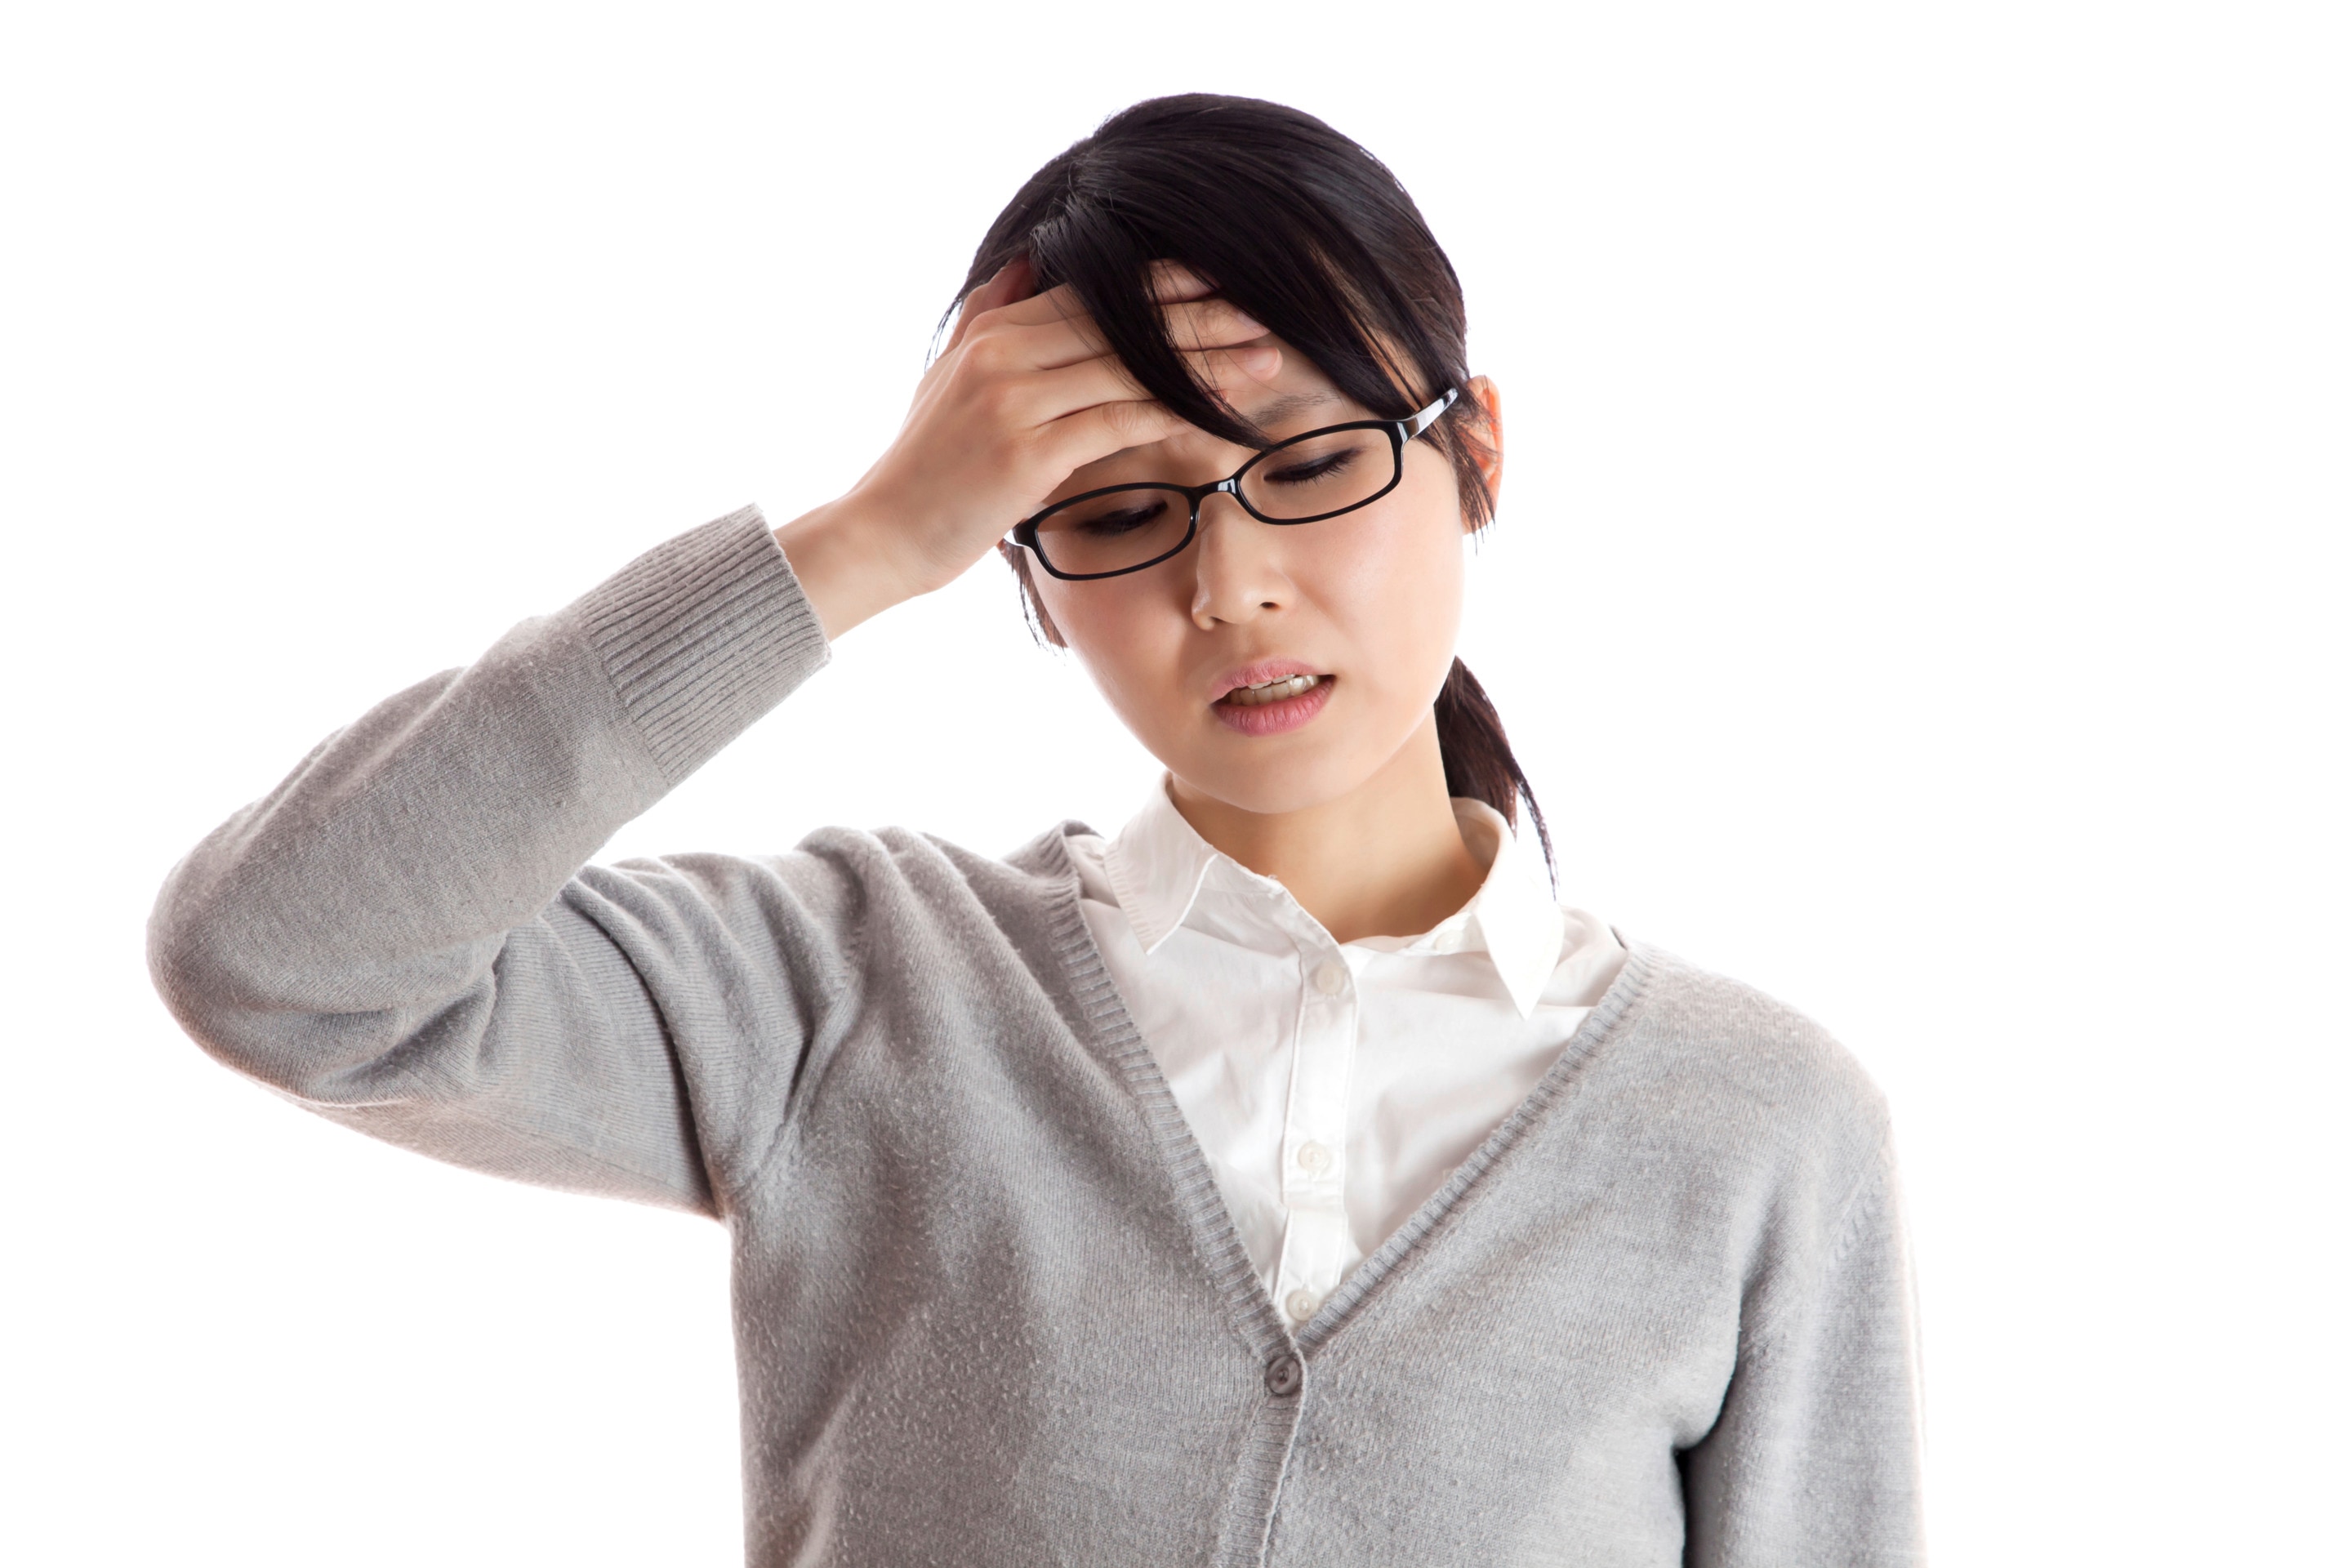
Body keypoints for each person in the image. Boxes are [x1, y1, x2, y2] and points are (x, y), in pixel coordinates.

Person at [149, 94, 1922, 1566]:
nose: (1230, 587)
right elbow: (282, 957)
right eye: (1121, 512)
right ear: (1023, 574)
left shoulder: (1752, 1126)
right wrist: (853, 545)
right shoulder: (847, 994)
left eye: (1310, 467)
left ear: (1479, 458)